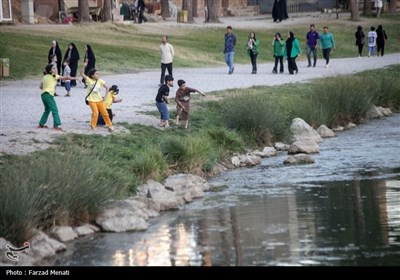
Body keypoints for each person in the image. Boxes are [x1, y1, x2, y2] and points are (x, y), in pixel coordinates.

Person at [38, 64, 79, 131]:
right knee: (55, 110)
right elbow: (66, 78)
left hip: (43, 95)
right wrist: (75, 78)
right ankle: (56, 125)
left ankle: (41, 124)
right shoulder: (54, 76)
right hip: (49, 95)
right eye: (54, 68)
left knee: (47, 110)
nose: (55, 69)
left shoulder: (45, 77)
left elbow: (40, 87)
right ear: (50, 70)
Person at [80, 63, 114, 132]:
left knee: (105, 113)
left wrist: (105, 96)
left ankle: (109, 126)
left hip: (99, 100)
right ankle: (93, 126)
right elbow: (81, 73)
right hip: (91, 100)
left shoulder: (100, 81)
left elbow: (107, 88)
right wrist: (84, 66)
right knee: (95, 113)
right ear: (92, 76)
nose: (98, 75)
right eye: (96, 74)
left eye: (98, 73)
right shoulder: (89, 80)